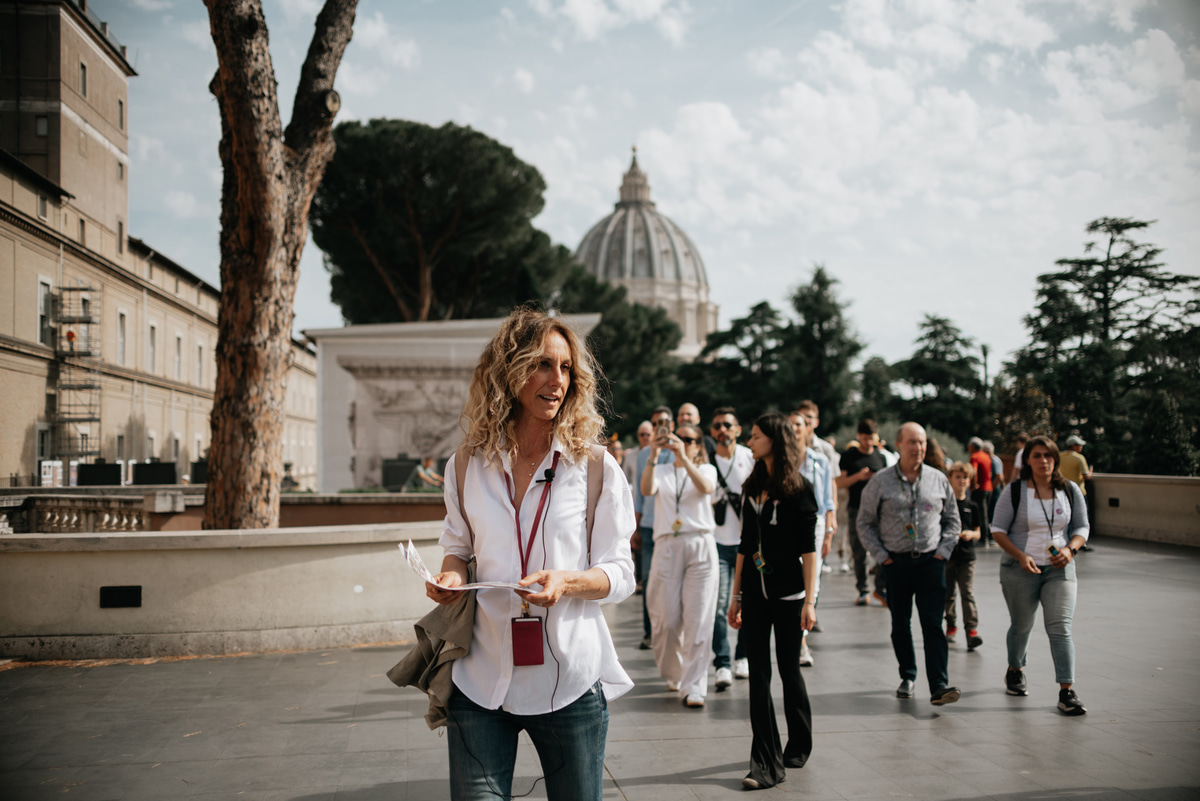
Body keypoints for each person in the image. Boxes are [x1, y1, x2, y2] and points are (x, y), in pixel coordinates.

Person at [424, 307, 636, 801]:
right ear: (509, 370)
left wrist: (569, 582)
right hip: (480, 679)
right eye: (542, 364)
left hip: (570, 683)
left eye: (565, 368)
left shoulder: (597, 467)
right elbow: (457, 547)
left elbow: (621, 572)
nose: (556, 380)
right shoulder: (465, 465)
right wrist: (450, 578)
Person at [727, 413, 819, 790]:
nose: (749, 441)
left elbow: (809, 551)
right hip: (754, 592)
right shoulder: (751, 486)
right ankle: (766, 762)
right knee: (758, 675)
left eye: (755, 435)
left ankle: (798, 742)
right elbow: (745, 545)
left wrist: (809, 602)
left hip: (789, 594)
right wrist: (736, 596)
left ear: (774, 440)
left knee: (788, 670)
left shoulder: (799, 489)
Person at [857, 422, 962, 705]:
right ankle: (908, 674)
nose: (919, 448)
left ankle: (939, 684)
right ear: (899, 444)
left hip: (931, 562)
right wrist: (882, 557)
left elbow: (953, 520)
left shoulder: (938, 479)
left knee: (932, 624)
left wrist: (943, 552)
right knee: (900, 624)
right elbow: (865, 523)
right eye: (913, 442)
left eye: (923, 442)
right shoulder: (880, 481)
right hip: (896, 563)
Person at [991, 435, 1090, 716]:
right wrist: (1021, 555)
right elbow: (997, 529)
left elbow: (1082, 527)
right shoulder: (1014, 491)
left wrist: (1070, 550)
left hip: (1060, 568)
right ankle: (1015, 669)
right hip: (1020, 569)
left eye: (1048, 455)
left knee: (1060, 627)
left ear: (1055, 459)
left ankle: (1066, 691)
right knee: (1022, 625)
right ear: (1028, 460)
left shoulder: (1069, 489)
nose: (1043, 461)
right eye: (1037, 455)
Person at [641, 421, 717, 707]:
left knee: (699, 619)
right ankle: (675, 672)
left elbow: (706, 487)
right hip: (668, 544)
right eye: (679, 438)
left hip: (700, 543)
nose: (682, 442)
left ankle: (694, 685)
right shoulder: (660, 469)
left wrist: (685, 459)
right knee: (667, 618)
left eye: (689, 439)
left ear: (698, 444)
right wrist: (653, 453)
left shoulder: (706, 469)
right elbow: (647, 490)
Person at [708, 406, 755, 687]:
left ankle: (743, 657)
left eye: (727, 425)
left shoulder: (750, 458)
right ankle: (722, 662)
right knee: (719, 606)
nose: (722, 430)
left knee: (748, 604)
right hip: (717, 544)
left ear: (737, 430)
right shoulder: (706, 462)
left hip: (746, 544)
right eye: (717, 426)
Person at [790, 410, 835, 667]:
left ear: (808, 428)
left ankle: (801, 640)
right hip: (789, 523)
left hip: (815, 524)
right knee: (793, 578)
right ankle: (798, 640)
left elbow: (828, 501)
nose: (796, 428)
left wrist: (829, 531)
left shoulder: (820, 461)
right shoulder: (782, 461)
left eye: (800, 424)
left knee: (812, 583)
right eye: (792, 425)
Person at [632, 406, 675, 649]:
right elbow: (639, 494)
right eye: (656, 423)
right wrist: (635, 528)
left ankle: (671, 630)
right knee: (649, 580)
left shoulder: (679, 449)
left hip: (671, 527)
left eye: (664, 422)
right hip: (649, 525)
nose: (660, 427)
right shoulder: (643, 455)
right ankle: (650, 632)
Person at [837, 419, 888, 606]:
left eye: (871, 439)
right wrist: (858, 477)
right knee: (858, 550)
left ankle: (881, 588)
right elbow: (839, 483)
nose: (868, 443)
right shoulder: (849, 456)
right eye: (865, 439)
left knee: (883, 549)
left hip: (879, 509)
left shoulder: (881, 457)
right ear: (859, 437)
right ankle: (863, 589)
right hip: (856, 508)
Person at [945, 462, 982, 651]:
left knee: (967, 593)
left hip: (967, 556)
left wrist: (970, 534)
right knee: (948, 593)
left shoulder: (973, 505)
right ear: (950, 479)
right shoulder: (945, 504)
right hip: (948, 555)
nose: (961, 481)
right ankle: (951, 624)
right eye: (958, 477)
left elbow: (979, 532)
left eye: (965, 477)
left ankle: (971, 630)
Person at [968, 437, 994, 546]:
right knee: (985, 513)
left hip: (980, 489)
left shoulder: (975, 457)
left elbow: (973, 471)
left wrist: (974, 484)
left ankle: (983, 538)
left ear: (972, 447)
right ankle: (986, 536)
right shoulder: (987, 456)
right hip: (989, 488)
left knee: (980, 513)